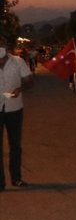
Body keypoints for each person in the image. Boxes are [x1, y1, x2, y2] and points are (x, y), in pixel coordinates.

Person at [0, 36, 34, 189]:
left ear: (6, 47)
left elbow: (29, 80)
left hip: (14, 108)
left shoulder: (18, 61)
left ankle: (16, 178)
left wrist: (20, 89)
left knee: (15, 144)